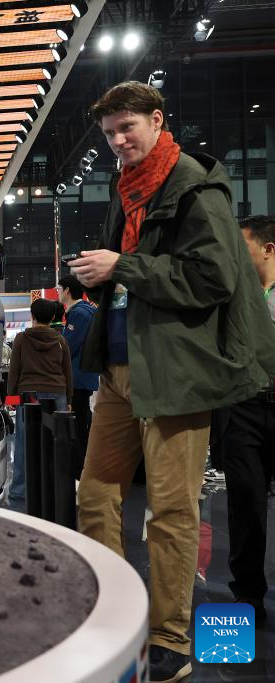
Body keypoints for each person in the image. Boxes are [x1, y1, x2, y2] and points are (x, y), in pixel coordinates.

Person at [69, 81, 275, 683]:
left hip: (175, 375)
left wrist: (123, 265)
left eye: (127, 127)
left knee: (172, 511)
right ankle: (111, 615)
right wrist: (101, 273)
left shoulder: (193, 184)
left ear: (157, 120)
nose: (118, 140)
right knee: (96, 495)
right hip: (117, 367)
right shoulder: (126, 188)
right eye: (109, 133)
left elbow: (213, 277)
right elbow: (132, 271)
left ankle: (170, 639)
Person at [223, 215, 275, 624]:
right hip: (243, 409)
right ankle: (247, 596)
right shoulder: (234, 296)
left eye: (243, 247)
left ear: (268, 249)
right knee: (245, 503)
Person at [6, 297, 73, 511]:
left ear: (32, 316)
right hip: (57, 392)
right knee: (56, 442)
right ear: (53, 317)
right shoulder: (60, 340)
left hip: (29, 394)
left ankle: (19, 490)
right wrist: (69, 400)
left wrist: (11, 398)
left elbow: (14, 370)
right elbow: (67, 372)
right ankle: (55, 487)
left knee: (24, 443)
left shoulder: (22, 339)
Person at [57, 274, 99, 480]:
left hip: (78, 377)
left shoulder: (80, 313)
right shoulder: (85, 311)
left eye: (59, 289)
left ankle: (80, 469)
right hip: (83, 375)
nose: (57, 292)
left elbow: (68, 347)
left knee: (79, 425)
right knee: (81, 422)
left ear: (67, 290)